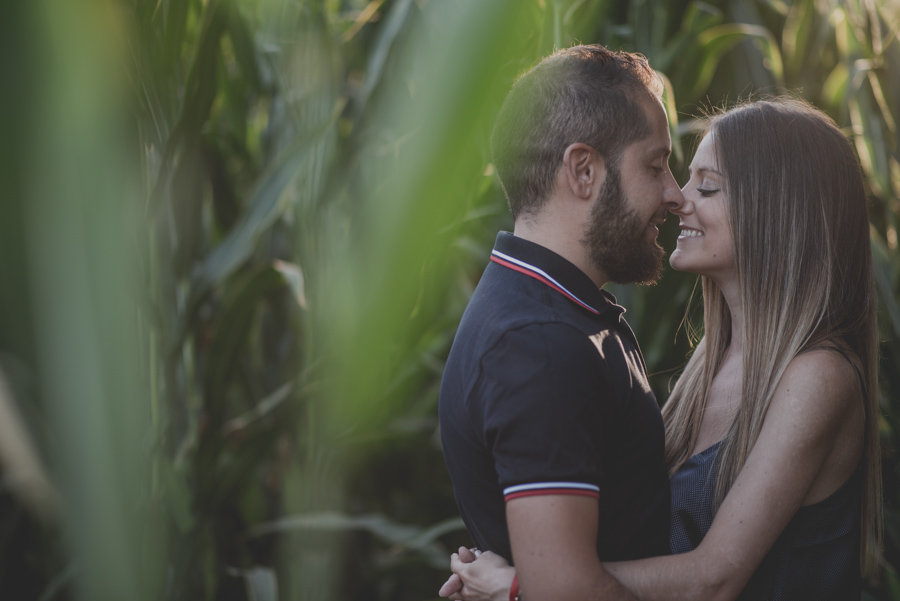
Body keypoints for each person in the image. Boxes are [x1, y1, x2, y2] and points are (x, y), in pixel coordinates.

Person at [439, 97, 883, 601]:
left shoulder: (819, 376)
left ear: (779, 211)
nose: (676, 198)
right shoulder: (710, 362)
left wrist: (525, 582)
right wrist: (529, 565)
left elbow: (713, 580)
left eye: (707, 187)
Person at [438, 44, 684, 601]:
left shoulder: (552, 313)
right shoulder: (541, 344)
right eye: (655, 166)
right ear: (583, 170)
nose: (673, 194)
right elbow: (565, 590)